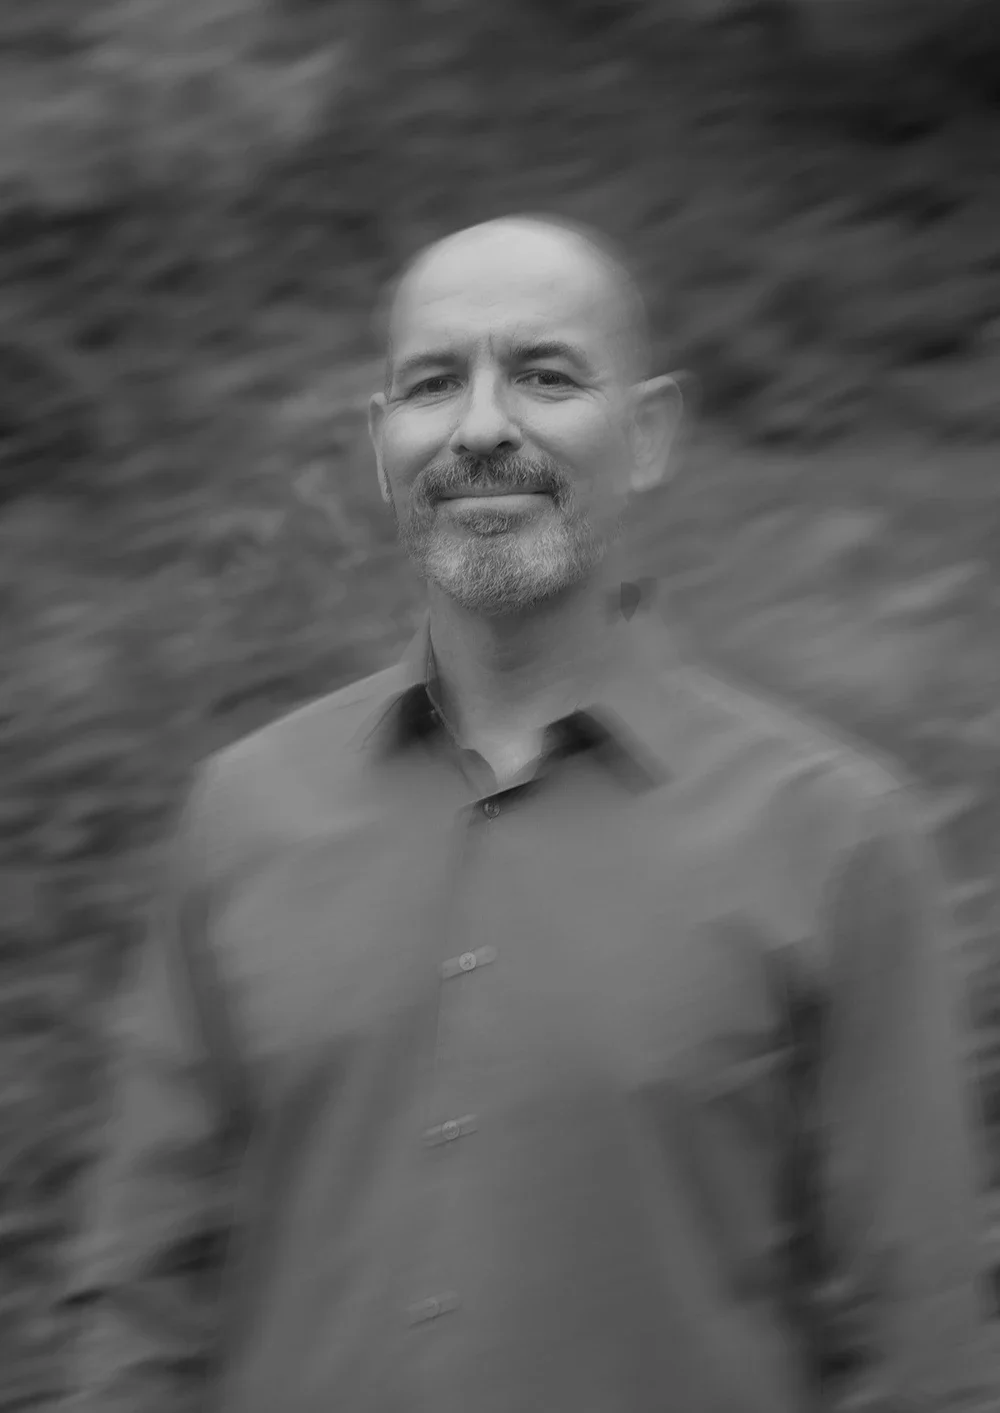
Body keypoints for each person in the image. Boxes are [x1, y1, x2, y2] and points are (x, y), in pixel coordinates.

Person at [62, 213, 999, 1413]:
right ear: (381, 442)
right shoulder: (242, 814)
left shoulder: (839, 841)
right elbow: (140, 1303)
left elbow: (923, 1345)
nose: (483, 426)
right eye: (434, 383)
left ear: (649, 433)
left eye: (545, 375)